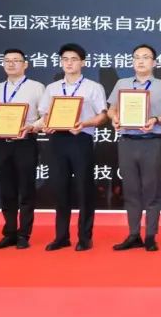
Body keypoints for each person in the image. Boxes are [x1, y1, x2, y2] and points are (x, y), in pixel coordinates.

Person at [34, 43, 107, 252]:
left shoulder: (93, 87)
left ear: (82, 63)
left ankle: (85, 237)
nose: (69, 63)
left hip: (80, 139)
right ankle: (61, 236)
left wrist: (84, 123)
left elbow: (102, 116)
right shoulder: (52, 88)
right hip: (57, 140)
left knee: (84, 188)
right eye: (65, 59)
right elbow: (45, 114)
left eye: (74, 59)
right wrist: (45, 124)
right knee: (60, 188)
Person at [107, 44, 161, 252]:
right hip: (127, 142)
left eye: (146, 57)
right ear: (132, 61)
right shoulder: (122, 83)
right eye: (137, 57)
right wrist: (115, 118)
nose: (141, 61)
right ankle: (133, 234)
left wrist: (155, 119)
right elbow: (111, 109)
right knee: (131, 190)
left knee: (152, 191)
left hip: (151, 142)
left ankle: (151, 235)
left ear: (154, 62)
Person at [0, 49, 44, 250]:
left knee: (26, 189)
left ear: (25, 64)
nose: (11, 64)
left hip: (25, 142)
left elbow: (45, 115)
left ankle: (24, 234)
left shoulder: (36, 87)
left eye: (16, 60)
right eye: (7, 61)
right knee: (6, 190)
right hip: (0, 143)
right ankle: (9, 233)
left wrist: (32, 126)